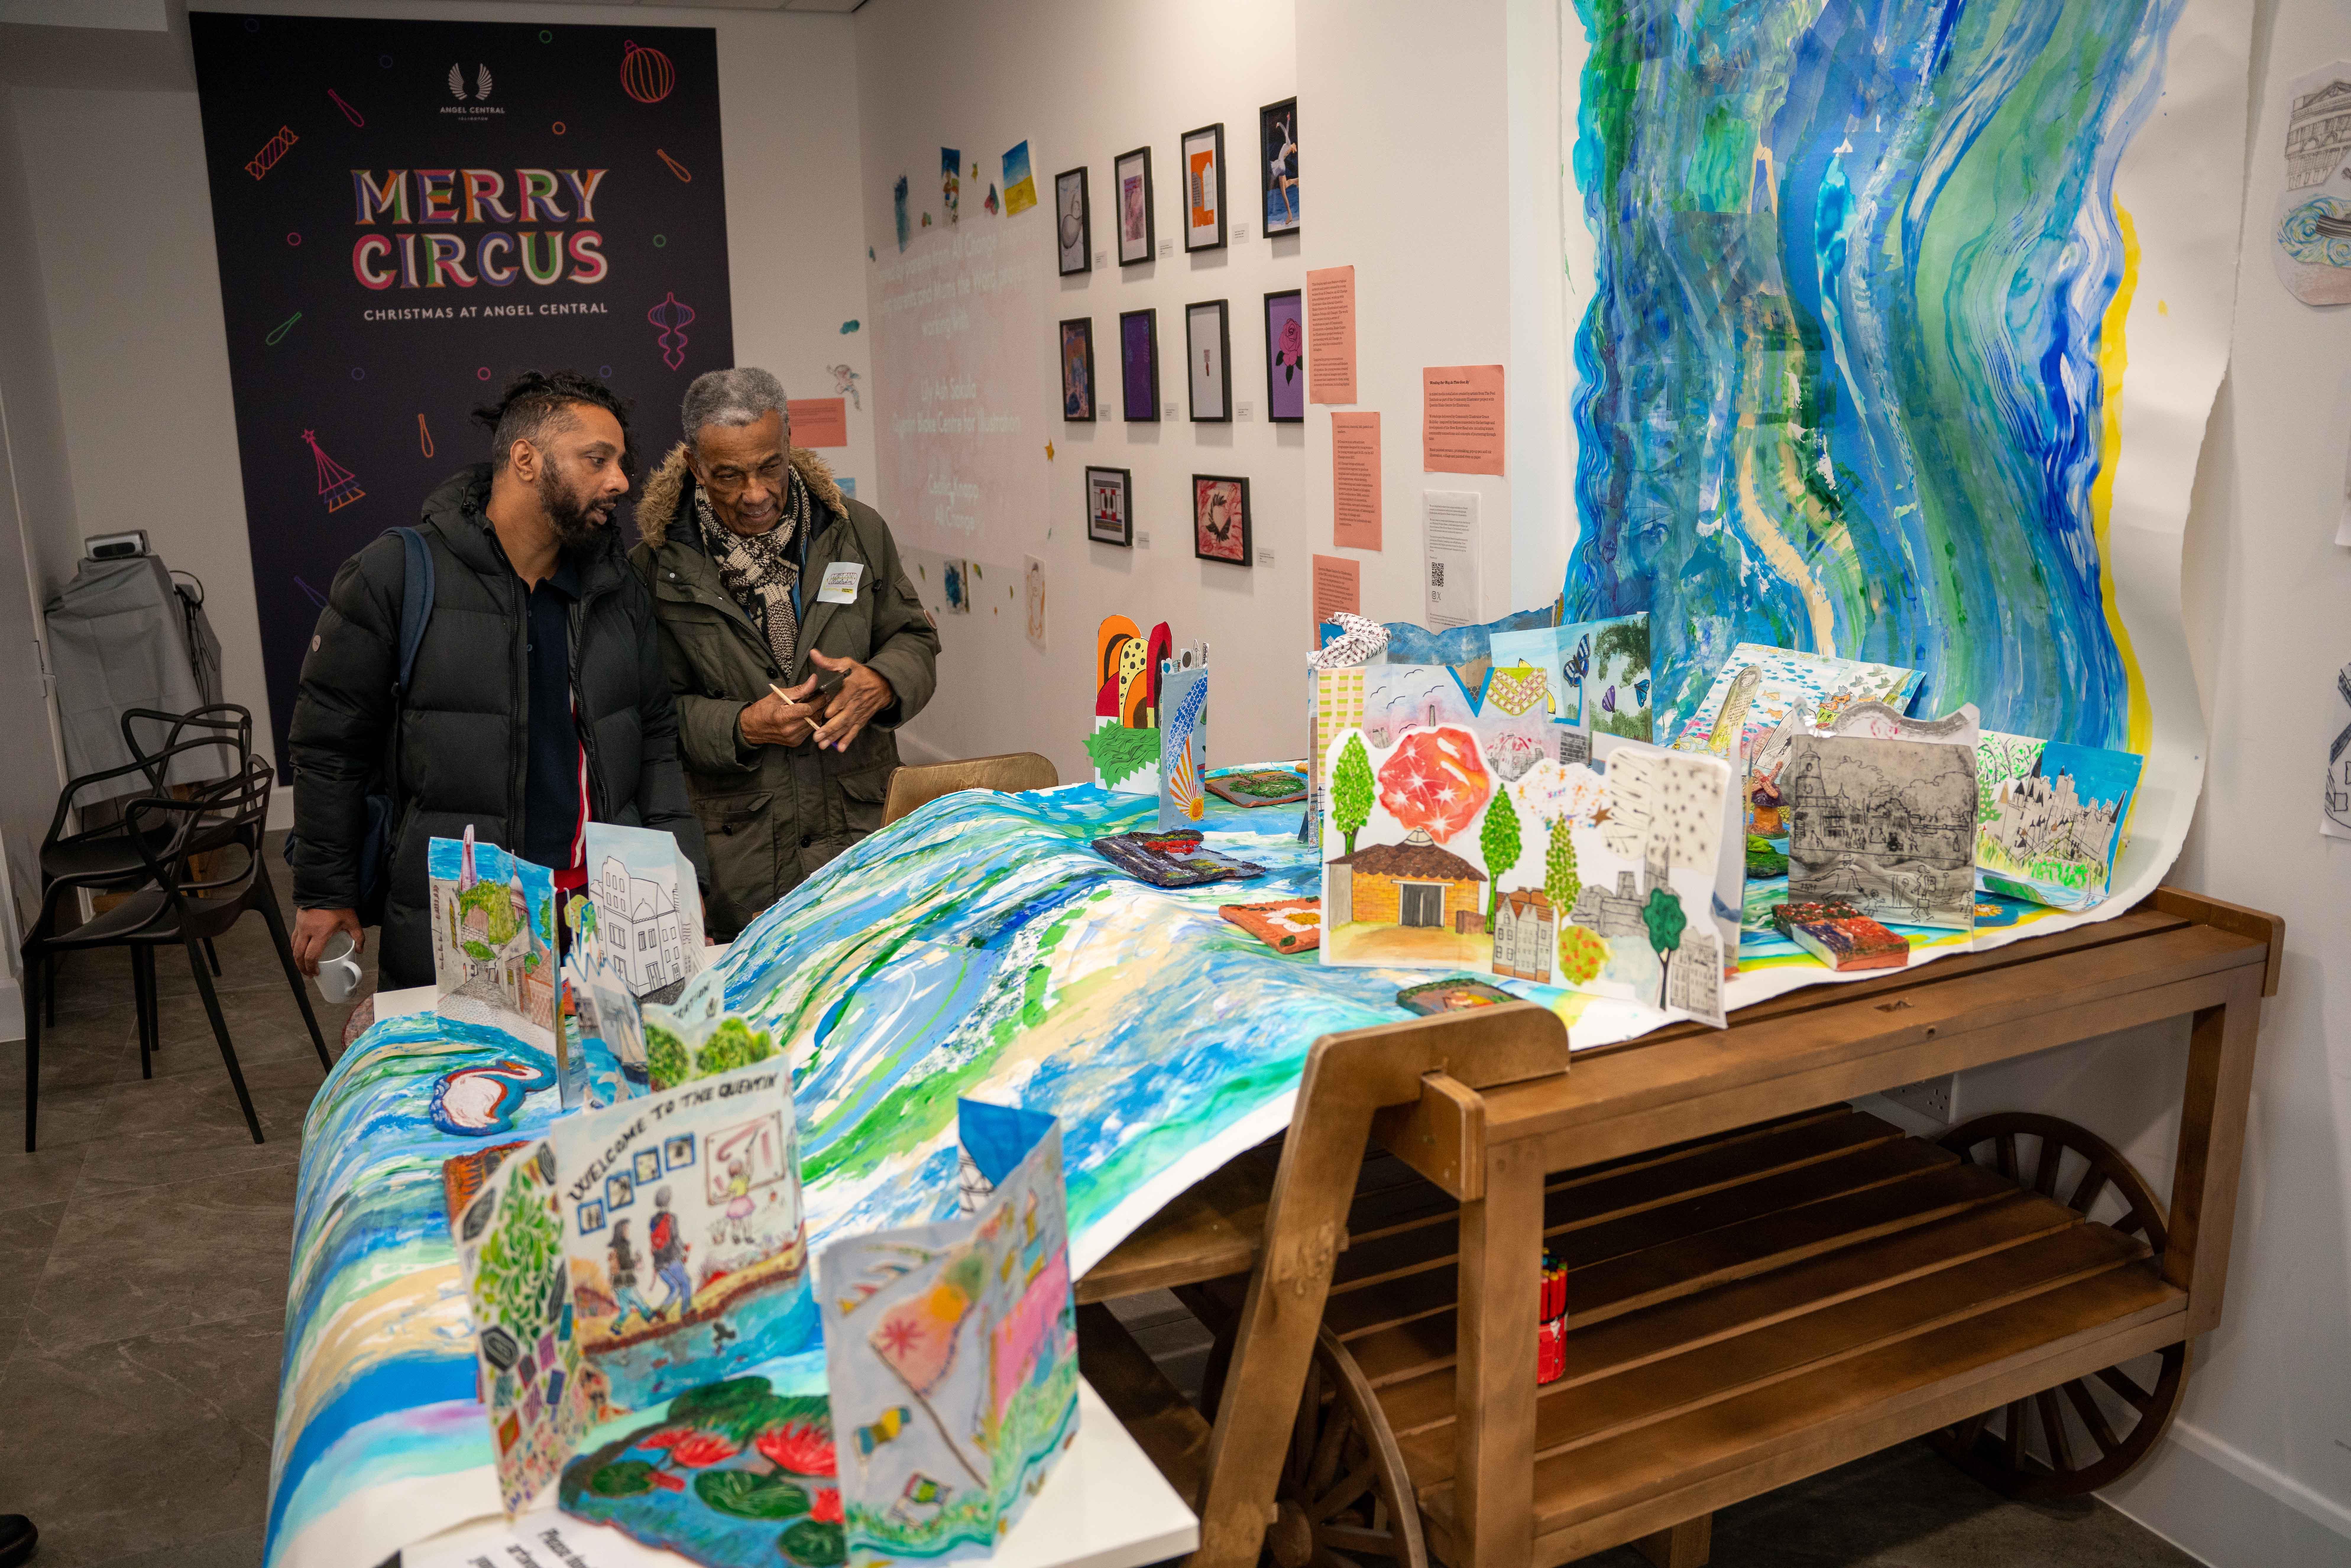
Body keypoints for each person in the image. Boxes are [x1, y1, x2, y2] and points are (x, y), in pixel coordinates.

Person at [288, 371, 709, 991]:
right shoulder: (395, 575)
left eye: (620, 463)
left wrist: (683, 880)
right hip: (467, 915)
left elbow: (655, 743)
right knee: (474, 1056)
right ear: (526, 459)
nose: (621, 481)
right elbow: (330, 747)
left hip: (604, 916)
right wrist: (326, 890)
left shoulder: (616, 589)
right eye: (597, 460)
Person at [632, 368, 939, 938]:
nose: (755, 493)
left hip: (862, 842)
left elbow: (915, 640)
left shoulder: (856, 532)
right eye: (729, 475)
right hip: (743, 860)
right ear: (696, 466)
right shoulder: (656, 569)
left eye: (770, 466)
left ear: (789, 443)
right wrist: (741, 726)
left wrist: (882, 681)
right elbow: (650, 717)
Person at [649, 1186, 691, 1318]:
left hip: (659, 1263)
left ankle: (662, 1312)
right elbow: (676, 1239)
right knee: (686, 1283)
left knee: (675, 1287)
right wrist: (684, 1249)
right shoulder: (672, 1218)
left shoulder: (652, 1221)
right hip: (672, 1259)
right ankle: (686, 1313)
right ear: (669, 1200)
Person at [608, 1219, 655, 1331]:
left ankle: (616, 1327)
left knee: (625, 1310)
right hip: (626, 1282)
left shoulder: (617, 1247)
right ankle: (651, 1318)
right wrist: (636, 1260)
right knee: (639, 1301)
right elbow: (626, 1264)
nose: (628, 1231)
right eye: (626, 1229)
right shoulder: (623, 1246)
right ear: (621, 1232)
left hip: (617, 1285)